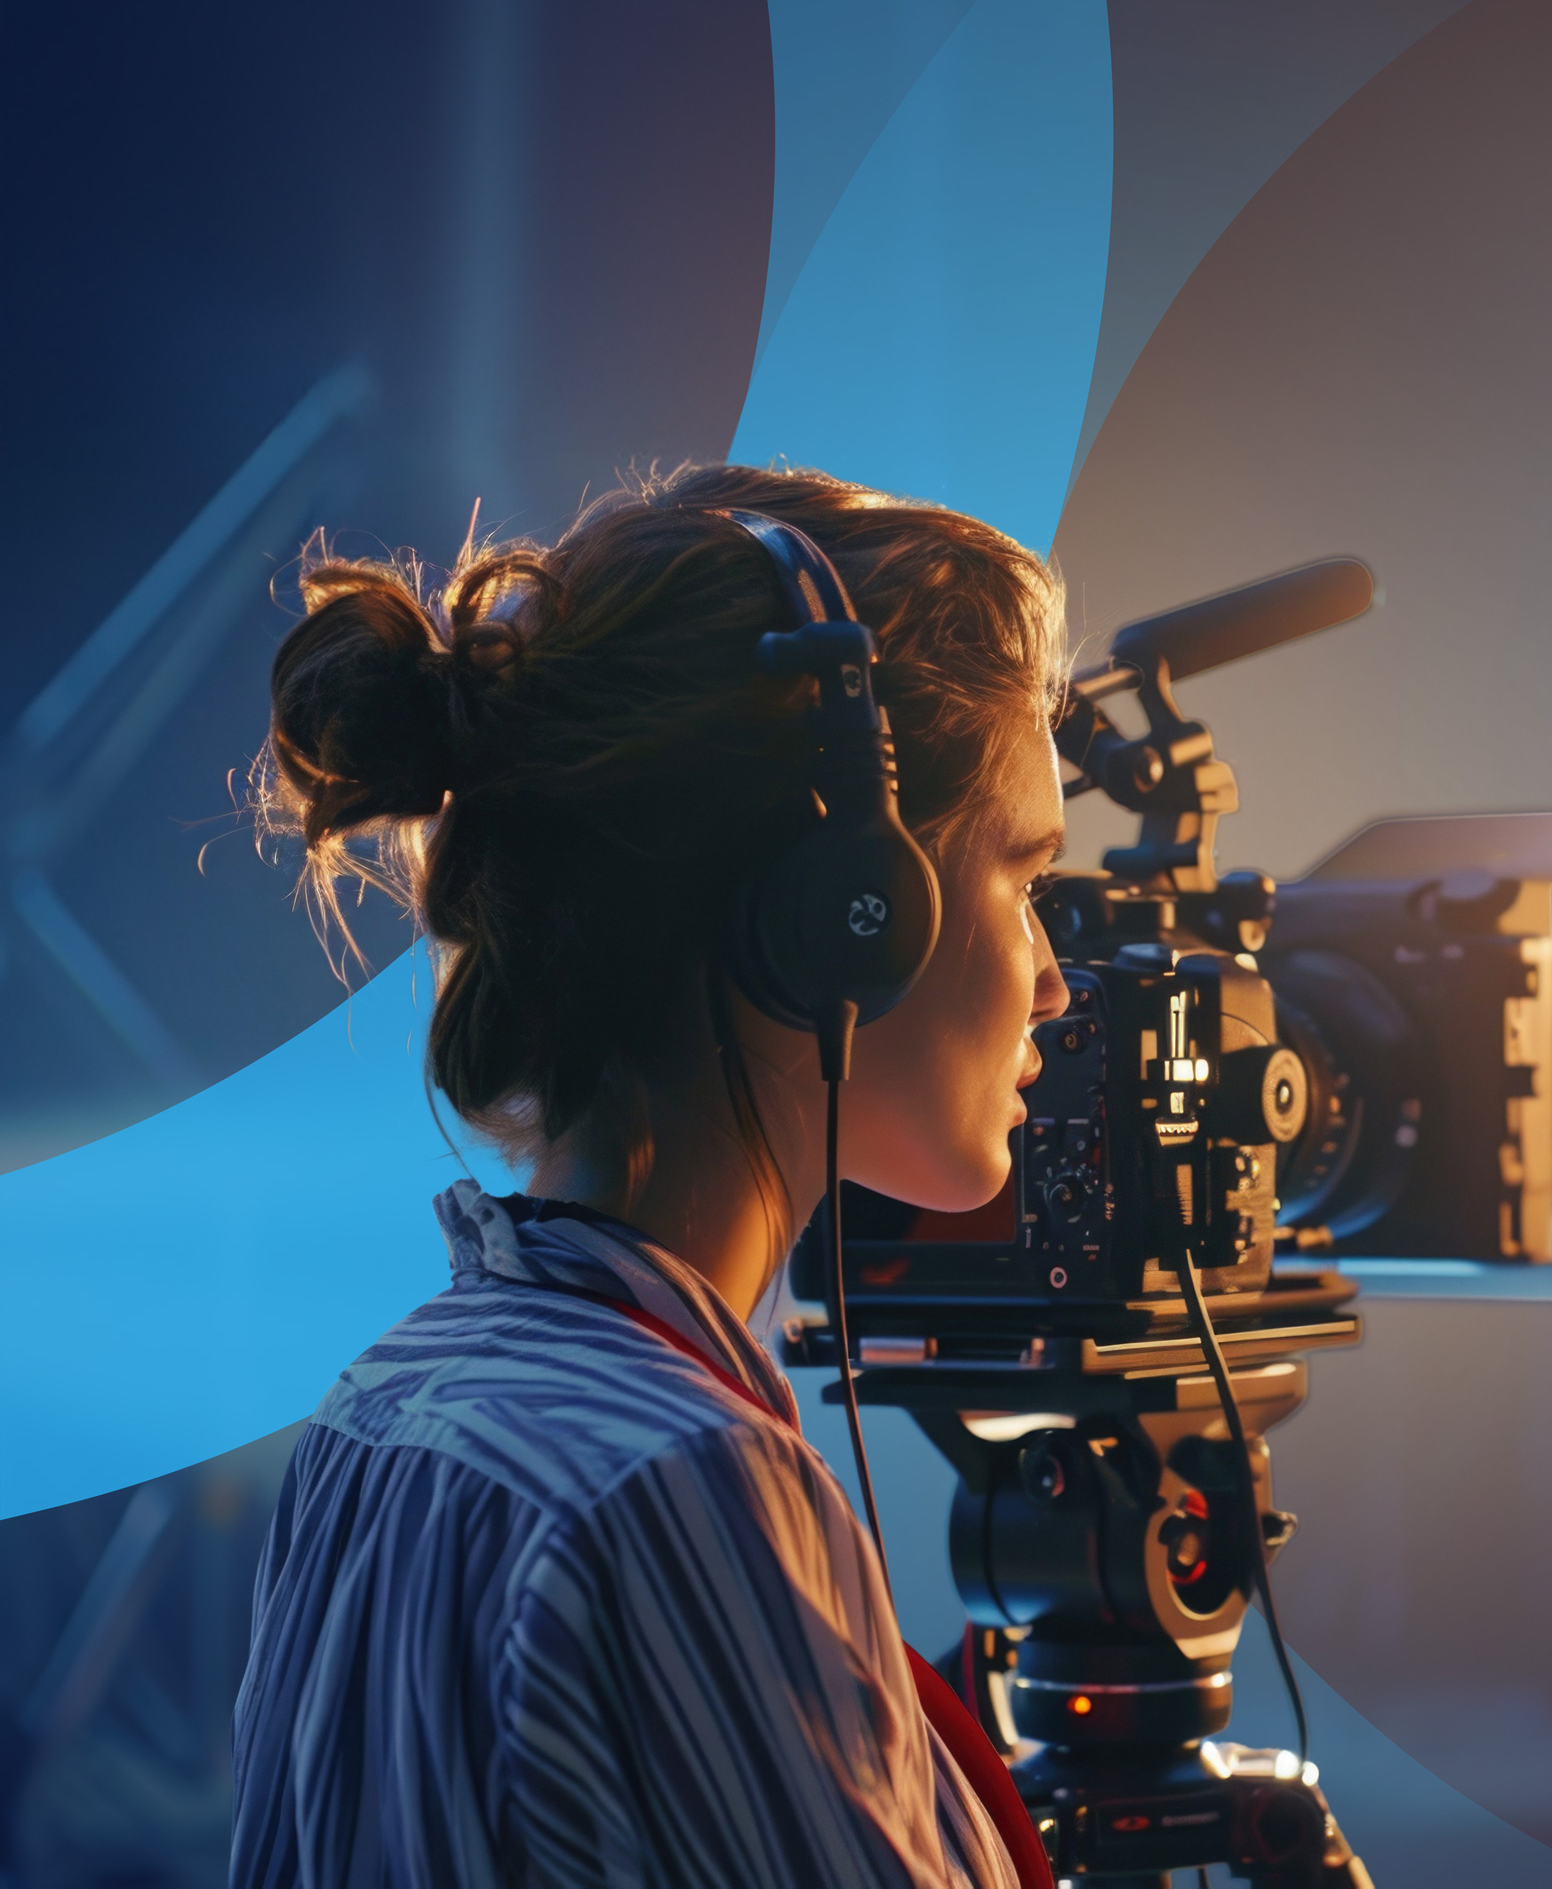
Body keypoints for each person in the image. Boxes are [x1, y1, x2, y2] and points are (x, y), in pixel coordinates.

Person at [227, 465, 1071, 1885]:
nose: (1053, 980)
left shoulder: (380, 1407)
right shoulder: (683, 1480)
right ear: (841, 909)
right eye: (1022, 874)